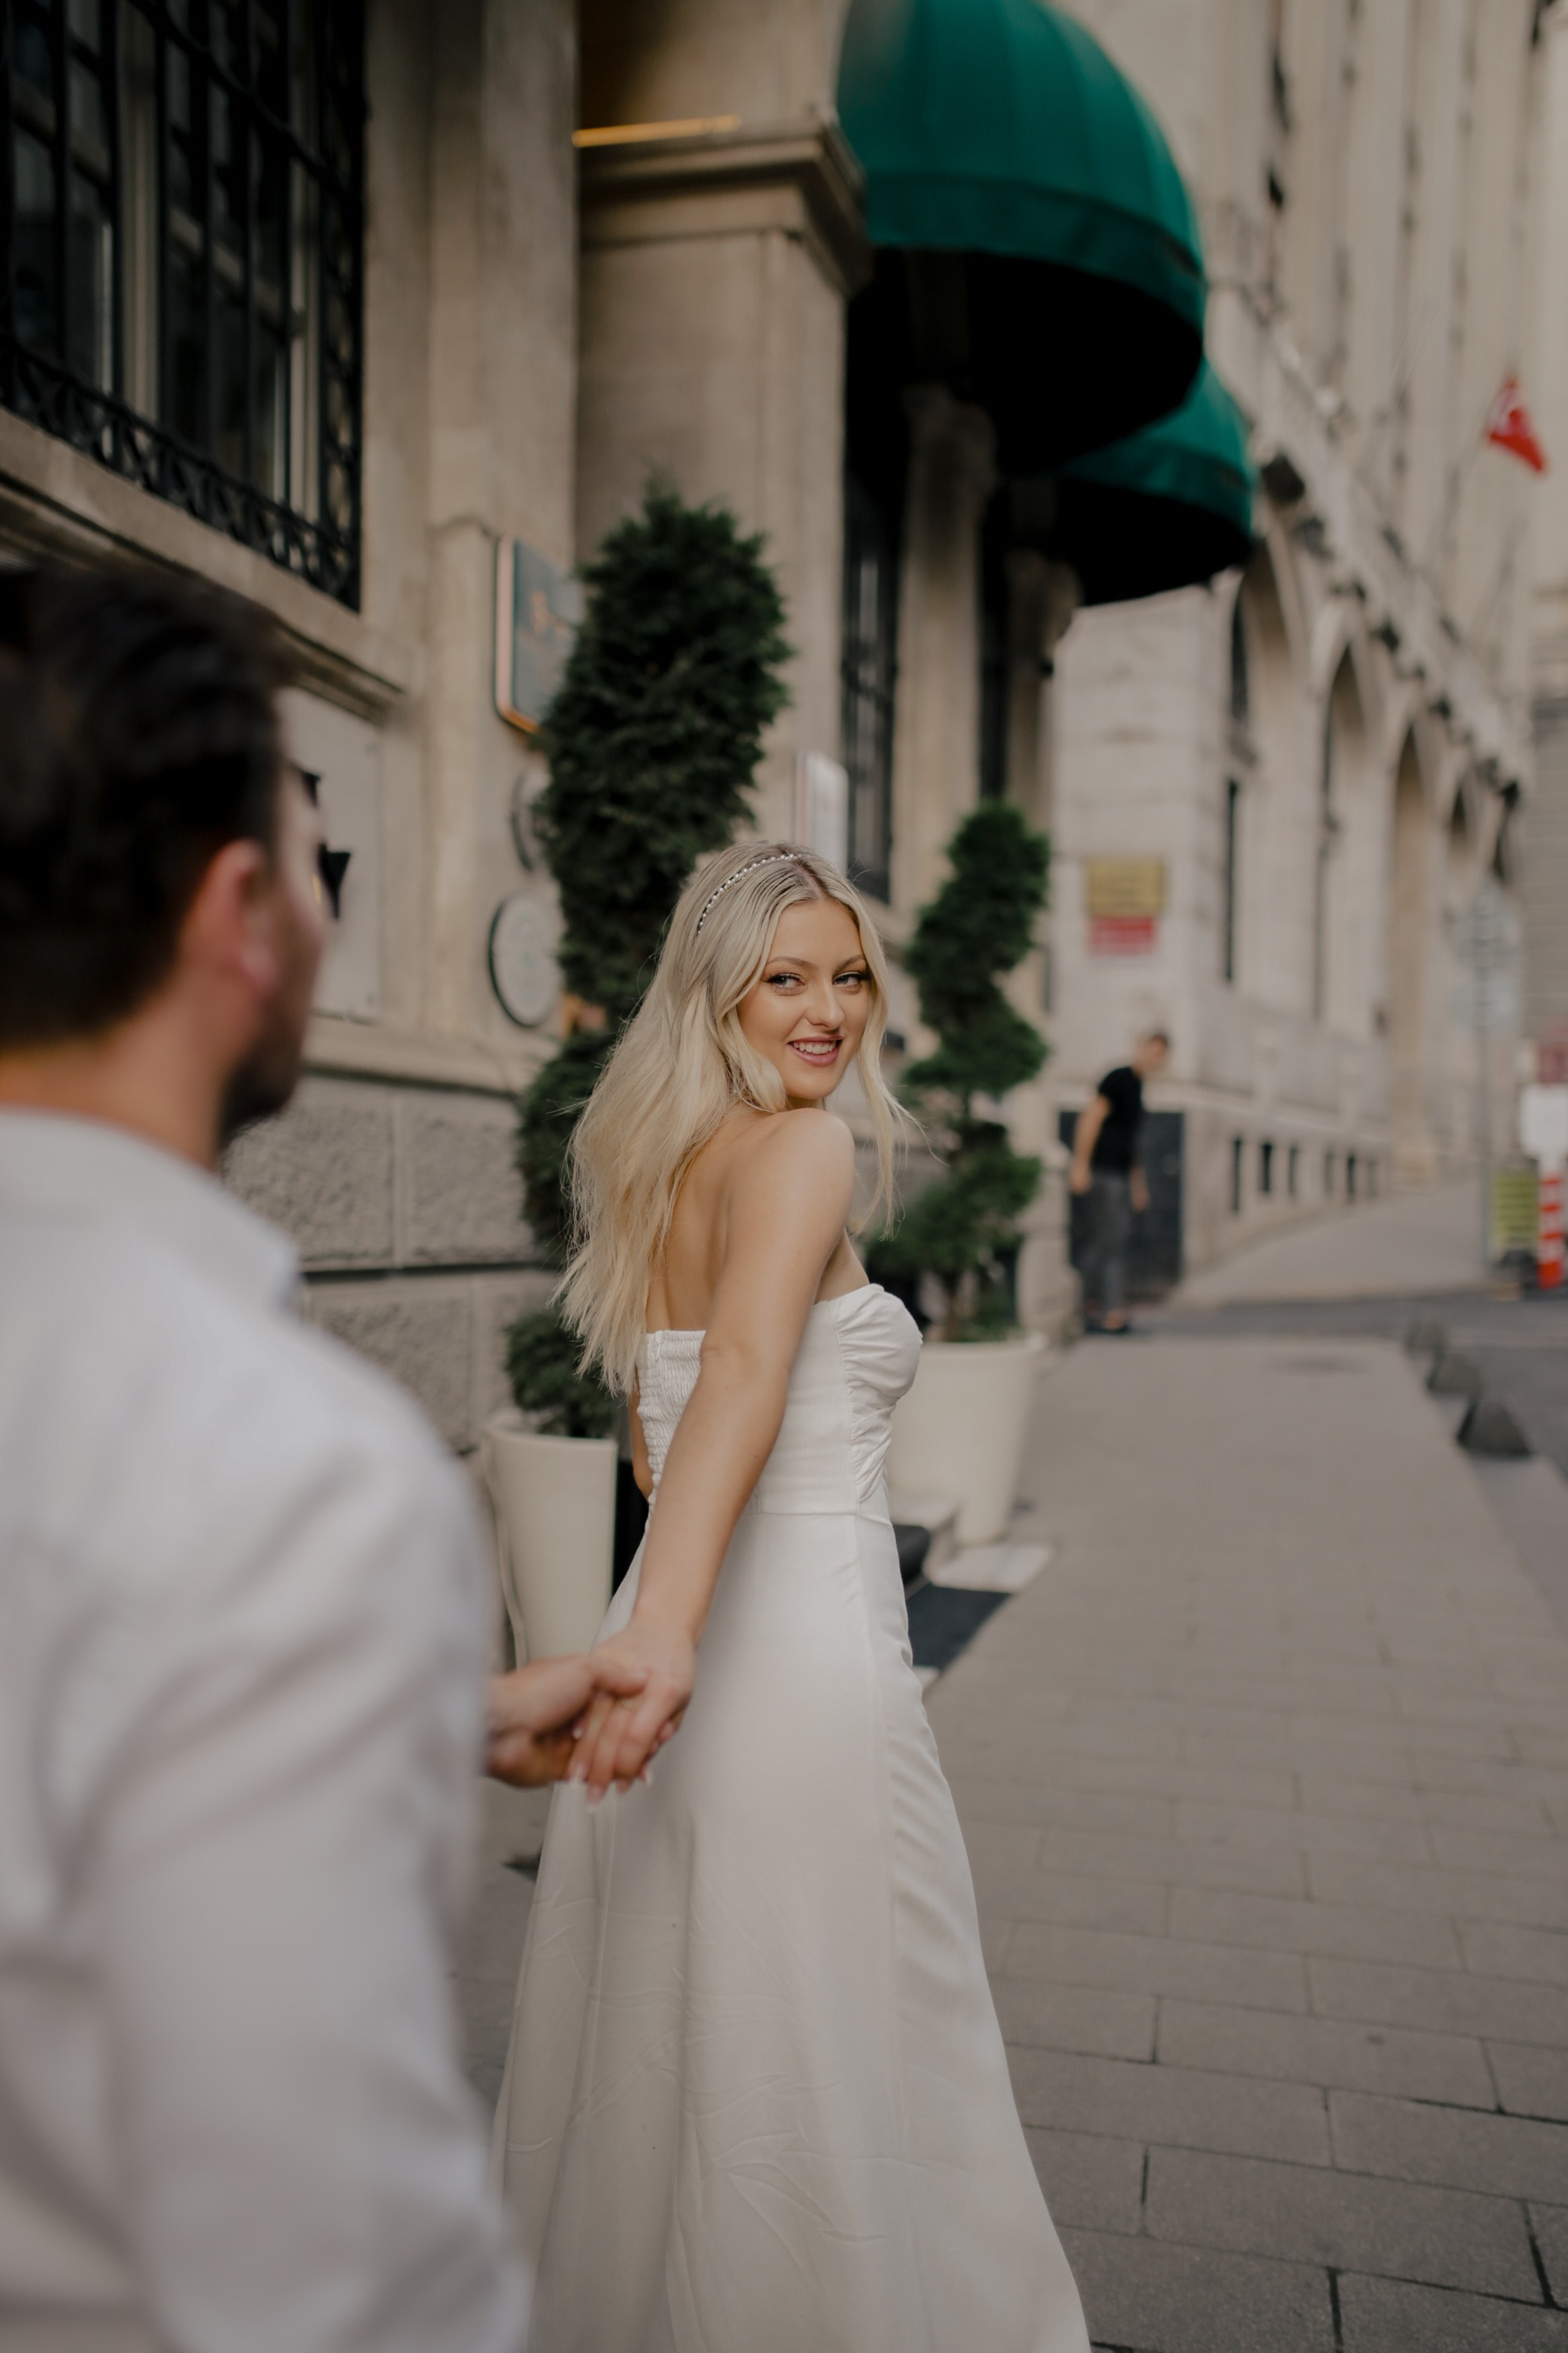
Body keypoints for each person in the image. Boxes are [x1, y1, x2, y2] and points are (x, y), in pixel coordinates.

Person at [0, 562, 645, 2352]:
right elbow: (333, 2267)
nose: (318, 906)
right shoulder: (287, 1470)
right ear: (236, 918)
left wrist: (418, 1703)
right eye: (317, 856)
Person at [489, 842, 1089, 2353]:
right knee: (847, 2048)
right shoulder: (800, 1152)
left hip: (685, 1650)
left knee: (673, 2059)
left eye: (846, 973)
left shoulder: (657, 1169)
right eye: (784, 978)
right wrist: (664, 1636)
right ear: (717, 993)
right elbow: (744, 1377)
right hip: (794, 1655)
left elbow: (655, 1423)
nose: (827, 1010)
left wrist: (648, 1622)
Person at [1067, 1029, 1170, 1334]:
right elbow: (1090, 1119)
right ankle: (1104, 1311)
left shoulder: (1138, 1086)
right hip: (1104, 1172)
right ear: (1141, 1048)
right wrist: (1080, 1165)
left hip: (1121, 1175)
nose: (1155, 1059)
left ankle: (1095, 1309)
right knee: (1108, 1242)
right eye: (1152, 1051)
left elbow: (1132, 1143)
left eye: (1160, 1055)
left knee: (1111, 1240)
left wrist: (1139, 1186)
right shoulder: (1119, 1078)